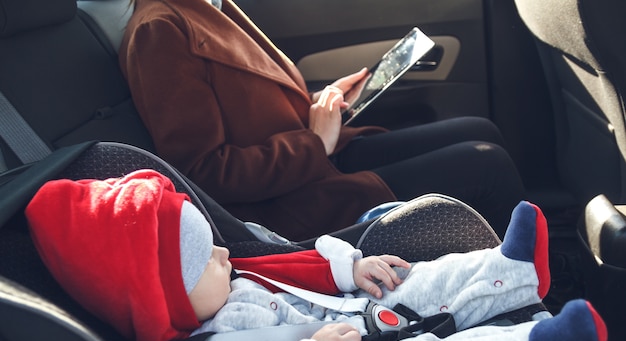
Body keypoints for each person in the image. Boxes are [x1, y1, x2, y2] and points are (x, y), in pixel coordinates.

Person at [25, 169, 606, 341]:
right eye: (206, 259)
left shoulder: (225, 284)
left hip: (355, 313)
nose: (226, 255)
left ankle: (510, 273)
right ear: (160, 296)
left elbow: (289, 266)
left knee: (416, 280)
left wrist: (351, 269)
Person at [118, 0, 527, 241]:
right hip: (285, 202)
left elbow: (248, 107)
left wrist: (322, 103)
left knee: (480, 131)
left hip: (311, 162)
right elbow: (204, 174)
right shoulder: (160, 31)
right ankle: (531, 285)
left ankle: (498, 256)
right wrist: (315, 143)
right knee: (486, 162)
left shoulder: (210, 6)